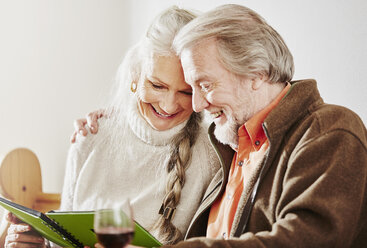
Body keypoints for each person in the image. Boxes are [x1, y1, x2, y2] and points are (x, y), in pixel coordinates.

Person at [4, 6, 221, 248]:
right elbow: (62, 240)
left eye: (186, 91)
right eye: (157, 86)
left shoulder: (213, 157)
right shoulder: (91, 135)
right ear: (135, 76)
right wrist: (38, 244)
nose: (169, 106)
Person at [160, 3, 366, 248]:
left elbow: (307, 240)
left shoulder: (329, 130)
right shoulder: (232, 145)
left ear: (256, 73)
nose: (196, 104)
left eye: (205, 85)